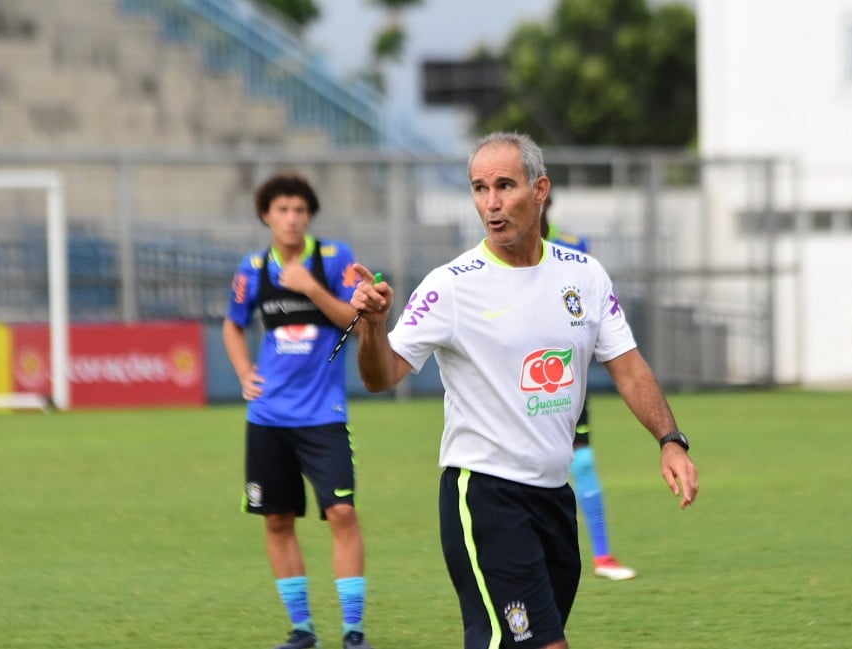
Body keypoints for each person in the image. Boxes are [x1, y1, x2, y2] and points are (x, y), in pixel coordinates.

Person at [349, 132, 699, 649]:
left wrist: (671, 438)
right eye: (479, 188)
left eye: (505, 186)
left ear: (540, 190)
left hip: (555, 498)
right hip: (485, 494)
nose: (491, 203)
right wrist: (373, 328)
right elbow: (382, 377)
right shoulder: (451, 285)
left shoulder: (584, 276)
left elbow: (628, 367)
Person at [222, 172, 376, 649]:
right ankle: (302, 631)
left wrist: (310, 287)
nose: (291, 219)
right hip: (268, 418)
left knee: (343, 513)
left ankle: (352, 632)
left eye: (299, 211)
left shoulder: (332, 259)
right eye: (282, 210)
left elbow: (354, 319)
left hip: (323, 416)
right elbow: (233, 324)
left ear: (309, 217)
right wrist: (245, 371)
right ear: (266, 216)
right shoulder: (251, 269)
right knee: (277, 520)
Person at [540, 196, 636, 581]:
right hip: (524, 378)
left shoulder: (575, 247)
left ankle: (602, 555)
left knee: (582, 460)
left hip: (563, 374)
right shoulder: (503, 250)